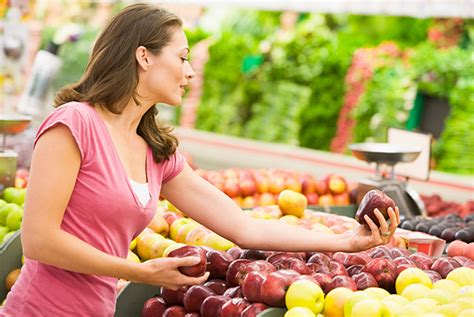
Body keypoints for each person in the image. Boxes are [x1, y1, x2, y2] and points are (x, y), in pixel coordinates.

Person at [0, 3, 400, 316]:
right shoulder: (75, 123)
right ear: (143, 56)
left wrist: (348, 242)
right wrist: (139, 272)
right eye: (183, 57)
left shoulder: (156, 152)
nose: (190, 72)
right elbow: (39, 241)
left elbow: (245, 229)